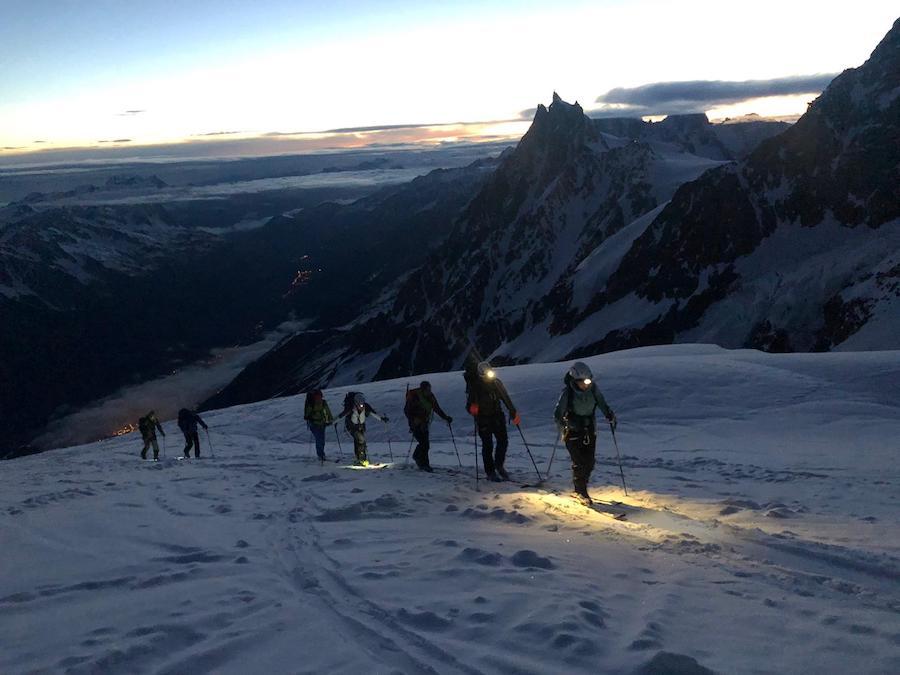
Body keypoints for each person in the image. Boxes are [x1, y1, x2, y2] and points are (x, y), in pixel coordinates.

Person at [554, 361, 617, 504]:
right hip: (572, 431)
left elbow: (601, 402)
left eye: (588, 380)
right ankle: (580, 490)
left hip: (589, 429)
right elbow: (558, 413)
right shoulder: (568, 393)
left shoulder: (593, 389)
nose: (586, 384)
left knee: (590, 462)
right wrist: (563, 426)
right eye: (582, 381)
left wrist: (609, 414)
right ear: (575, 381)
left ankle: (581, 487)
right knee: (579, 462)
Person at [466, 361, 518, 481]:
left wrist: (512, 410)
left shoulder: (496, 383)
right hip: (483, 419)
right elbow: (469, 405)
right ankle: (490, 472)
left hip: (497, 416)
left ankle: (499, 465)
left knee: (503, 441)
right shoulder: (476, 387)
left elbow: (505, 397)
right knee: (488, 445)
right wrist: (474, 409)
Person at [404, 381, 452, 472]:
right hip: (416, 423)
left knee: (425, 443)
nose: (429, 391)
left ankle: (419, 458)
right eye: (427, 389)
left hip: (424, 422)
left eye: (429, 389)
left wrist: (445, 417)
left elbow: (437, 408)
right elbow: (407, 411)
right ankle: (424, 464)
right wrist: (413, 420)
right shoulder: (415, 396)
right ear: (422, 389)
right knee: (424, 443)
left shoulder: (430, 397)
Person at [336, 392, 388, 467]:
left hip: (361, 426)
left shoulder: (365, 406)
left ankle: (360, 458)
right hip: (352, 427)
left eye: (362, 403)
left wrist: (382, 419)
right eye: (360, 404)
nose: (361, 405)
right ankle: (362, 459)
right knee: (361, 440)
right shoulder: (350, 407)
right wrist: (332, 422)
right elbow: (341, 415)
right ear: (356, 402)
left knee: (359, 441)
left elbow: (373, 413)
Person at [304, 389, 334, 461]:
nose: (319, 398)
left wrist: (330, 419)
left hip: (320, 424)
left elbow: (327, 411)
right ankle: (321, 455)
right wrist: (330, 419)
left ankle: (321, 455)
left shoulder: (316, 403)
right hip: (316, 424)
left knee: (321, 440)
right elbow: (327, 412)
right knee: (320, 440)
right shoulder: (318, 403)